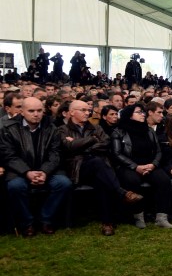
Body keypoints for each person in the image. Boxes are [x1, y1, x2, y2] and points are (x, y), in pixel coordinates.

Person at [59, 100, 144, 236]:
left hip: (97, 168)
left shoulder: (96, 127)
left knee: (102, 181)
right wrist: (92, 139)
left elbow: (106, 143)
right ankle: (122, 193)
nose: (87, 113)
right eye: (83, 110)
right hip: (77, 168)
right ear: (71, 112)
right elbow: (69, 148)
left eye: (88, 110)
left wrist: (80, 146)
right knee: (98, 163)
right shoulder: (63, 129)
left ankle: (107, 223)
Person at [0, 97, 72, 237]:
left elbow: (55, 154)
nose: (36, 114)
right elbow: (8, 156)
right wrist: (27, 172)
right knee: (15, 186)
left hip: (47, 170)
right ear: (22, 111)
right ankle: (27, 224)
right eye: (31, 111)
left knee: (63, 183)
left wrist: (44, 172)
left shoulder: (51, 127)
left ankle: (46, 219)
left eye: (39, 110)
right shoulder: (8, 128)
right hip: (19, 171)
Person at [111, 104, 172, 229]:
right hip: (129, 166)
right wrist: (136, 167)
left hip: (150, 165)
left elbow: (158, 151)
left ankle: (161, 217)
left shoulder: (148, 130)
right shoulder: (119, 131)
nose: (143, 114)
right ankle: (138, 216)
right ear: (129, 115)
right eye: (139, 112)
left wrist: (153, 164)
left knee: (164, 181)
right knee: (132, 181)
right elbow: (117, 154)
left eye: (142, 112)